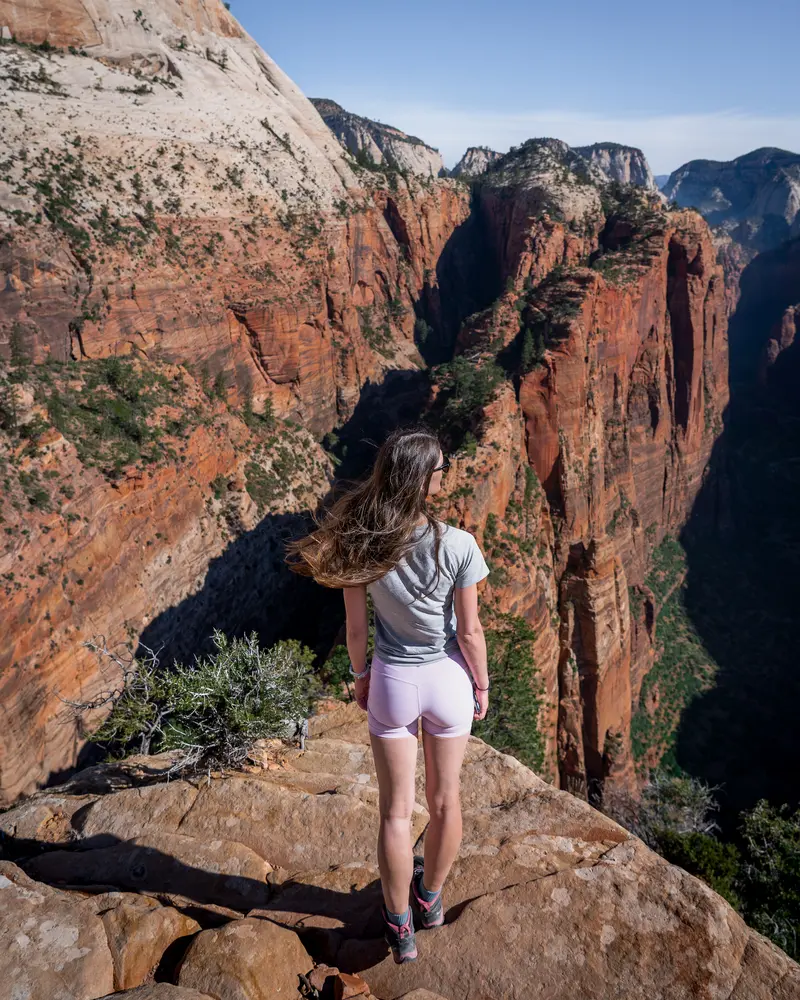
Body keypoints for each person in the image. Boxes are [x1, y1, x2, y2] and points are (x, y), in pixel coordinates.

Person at [285, 426, 491, 964]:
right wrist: (481, 683)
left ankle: (400, 928)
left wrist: (360, 676)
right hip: (448, 680)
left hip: (393, 681)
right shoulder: (459, 544)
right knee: (446, 803)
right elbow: (468, 633)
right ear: (424, 479)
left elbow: (357, 630)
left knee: (396, 814)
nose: (445, 474)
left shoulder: (361, 539)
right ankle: (431, 899)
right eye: (440, 468)